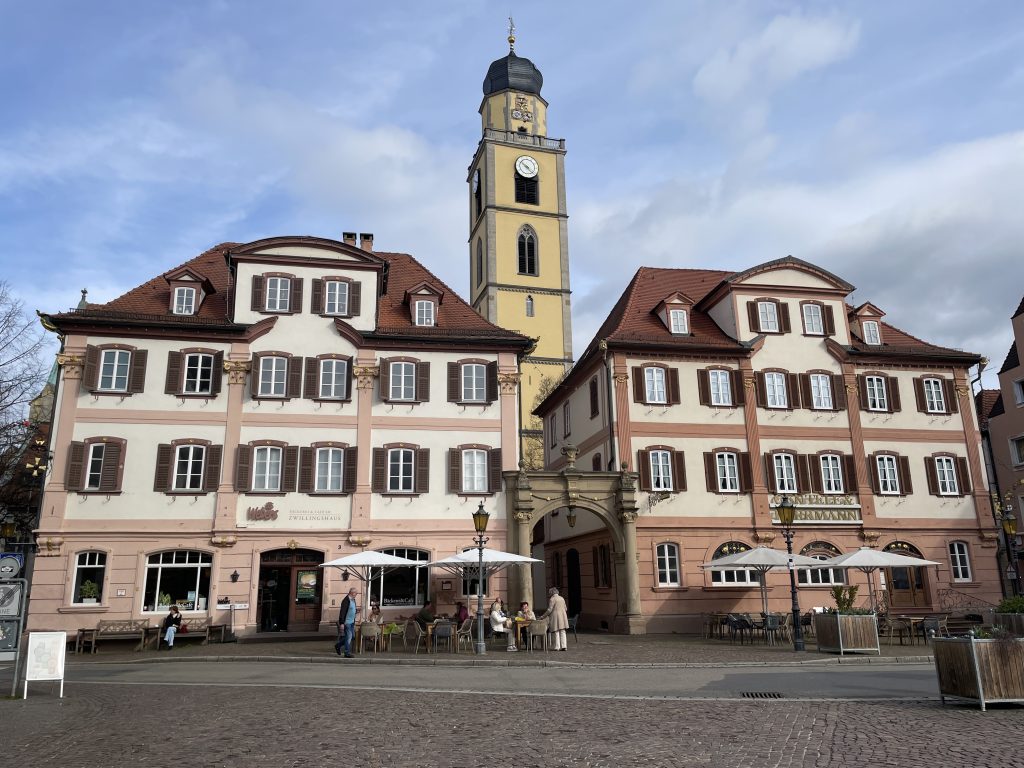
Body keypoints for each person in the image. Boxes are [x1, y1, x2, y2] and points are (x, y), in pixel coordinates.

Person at [540, 587, 569, 651]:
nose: (549, 594)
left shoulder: (552, 599)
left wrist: (543, 616)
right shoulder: (562, 598)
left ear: (551, 593)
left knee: (556, 631)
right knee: (562, 631)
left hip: (555, 616)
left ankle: (557, 646)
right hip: (563, 616)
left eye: (549, 593)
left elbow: (549, 610)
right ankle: (564, 646)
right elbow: (566, 608)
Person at [335, 587, 357, 658]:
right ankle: (347, 652)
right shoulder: (346, 600)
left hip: (352, 622)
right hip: (346, 622)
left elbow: (352, 609)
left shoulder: (353, 600)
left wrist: (356, 611)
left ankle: (338, 645)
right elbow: (342, 612)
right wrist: (342, 623)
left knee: (351, 636)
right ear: (352, 593)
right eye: (356, 593)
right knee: (349, 636)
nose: (356, 595)